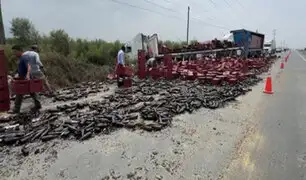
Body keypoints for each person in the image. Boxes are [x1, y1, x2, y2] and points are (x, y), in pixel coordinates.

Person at [9, 45, 42, 114]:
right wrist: (16, 73)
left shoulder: (24, 57)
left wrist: (27, 75)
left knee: (19, 93)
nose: (14, 53)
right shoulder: (21, 58)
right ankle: (38, 105)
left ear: (19, 51)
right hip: (23, 78)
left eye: (15, 52)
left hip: (25, 78)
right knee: (32, 92)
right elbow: (21, 68)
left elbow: (29, 66)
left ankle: (16, 109)